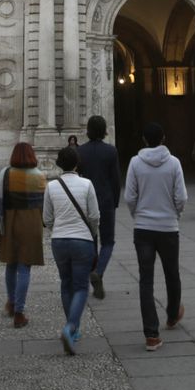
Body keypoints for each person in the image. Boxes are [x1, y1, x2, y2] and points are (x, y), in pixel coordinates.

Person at [124, 121, 187, 351]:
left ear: (143, 140)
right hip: (168, 228)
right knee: (172, 274)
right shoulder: (173, 163)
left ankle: (151, 334)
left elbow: (130, 196)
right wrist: (175, 214)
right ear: (163, 139)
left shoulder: (135, 163)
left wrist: (138, 214)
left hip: (143, 228)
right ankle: (172, 315)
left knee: (146, 280)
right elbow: (181, 196)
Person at [44, 145, 100, 354]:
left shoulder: (51, 186)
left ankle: (73, 331)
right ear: (77, 163)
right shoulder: (86, 184)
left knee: (66, 284)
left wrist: (57, 230)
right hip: (82, 241)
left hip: (59, 241)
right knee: (81, 287)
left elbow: (47, 218)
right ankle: (70, 328)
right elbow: (94, 216)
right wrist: (92, 234)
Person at [0, 142, 45, 327]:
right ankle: (19, 312)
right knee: (24, 268)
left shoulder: (5, 174)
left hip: (10, 221)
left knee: (11, 264)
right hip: (31, 223)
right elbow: (45, 207)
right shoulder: (40, 177)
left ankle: (11, 303)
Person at [77, 116, 121, 301]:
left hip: (86, 202)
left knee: (91, 241)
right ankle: (99, 271)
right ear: (104, 130)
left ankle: (93, 272)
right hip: (105, 201)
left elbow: (77, 176)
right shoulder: (110, 151)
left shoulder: (81, 151)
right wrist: (115, 201)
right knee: (108, 242)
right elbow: (116, 180)